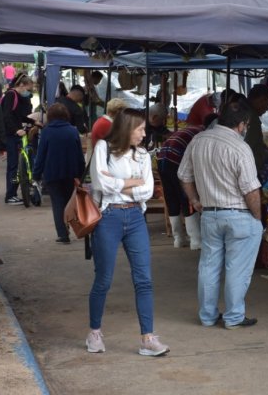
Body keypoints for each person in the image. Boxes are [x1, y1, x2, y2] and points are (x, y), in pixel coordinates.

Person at [86, 108, 169, 356]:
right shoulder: (103, 148)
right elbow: (101, 184)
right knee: (104, 279)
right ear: (126, 128)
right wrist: (131, 183)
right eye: (140, 129)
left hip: (135, 217)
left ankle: (148, 337)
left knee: (144, 279)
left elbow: (148, 190)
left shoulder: (142, 155)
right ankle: (94, 332)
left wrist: (120, 185)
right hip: (108, 217)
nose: (144, 135)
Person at [178, 99, 263, 330]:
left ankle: (207, 316)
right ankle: (234, 317)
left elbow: (184, 175)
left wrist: (195, 200)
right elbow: (251, 189)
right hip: (239, 215)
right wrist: (257, 217)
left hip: (210, 215)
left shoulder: (198, 140)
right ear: (243, 124)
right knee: (237, 269)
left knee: (208, 266)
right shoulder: (240, 147)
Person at [157, 113, 216, 249]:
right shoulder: (204, 134)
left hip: (162, 158)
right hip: (176, 158)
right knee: (187, 198)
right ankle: (195, 240)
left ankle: (178, 239)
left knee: (171, 197)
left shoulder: (194, 129)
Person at [32, 103, 85, 244]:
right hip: (70, 173)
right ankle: (78, 229)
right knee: (69, 202)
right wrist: (81, 174)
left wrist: (36, 174)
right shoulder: (73, 131)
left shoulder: (47, 131)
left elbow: (41, 155)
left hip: (52, 173)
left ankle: (63, 234)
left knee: (57, 203)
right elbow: (79, 155)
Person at [2, 73, 34, 205]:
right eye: (28, 89)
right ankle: (10, 195)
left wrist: (33, 121)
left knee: (15, 165)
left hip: (14, 134)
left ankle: (13, 193)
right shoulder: (11, 95)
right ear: (21, 85)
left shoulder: (15, 96)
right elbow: (7, 116)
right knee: (13, 166)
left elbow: (19, 116)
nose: (28, 93)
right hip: (11, 135)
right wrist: (16, 130)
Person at [244, 84, 268, 176]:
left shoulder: (247, 113)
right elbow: (249, 145)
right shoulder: (251, 118)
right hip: (249, 170)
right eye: (267, 105)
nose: (266, 109)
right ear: (261, 99)